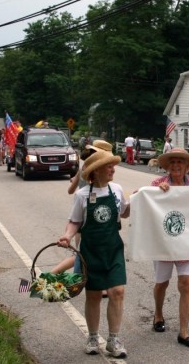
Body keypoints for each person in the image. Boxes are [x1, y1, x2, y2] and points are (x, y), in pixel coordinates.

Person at [57, 150, 130, 358]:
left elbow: (124, 211)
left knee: (117, 291)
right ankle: (92, 336)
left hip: (113, 249)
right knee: (94, 294)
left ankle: (113, 339)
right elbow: (75, 222)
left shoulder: (116, 190)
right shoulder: (82, 195)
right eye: (109, 166)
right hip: (91, 251)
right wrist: (67, 236)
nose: (113, 169)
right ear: (96, 171)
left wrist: (143, 200)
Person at [149, 148, 189, 348]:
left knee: (186, 284)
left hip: (186, 242)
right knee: (162, 283)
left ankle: (184, 331)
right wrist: (158, 193)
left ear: (187, 166)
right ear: (167, 166)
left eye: (180, 162)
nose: (176, 165)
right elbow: (144, 202)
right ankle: (158, 314)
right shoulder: (157, 185)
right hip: (164, 243)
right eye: (173, 162)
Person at [52, 140, 114, 276]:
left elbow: (70, 190)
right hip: (85, 219)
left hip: (86, 215)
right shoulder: (94, 172)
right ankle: (54, 276)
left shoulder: (84, 168)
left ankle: (79, 280)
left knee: (84, 256)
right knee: (82, 256)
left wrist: (76, 181)